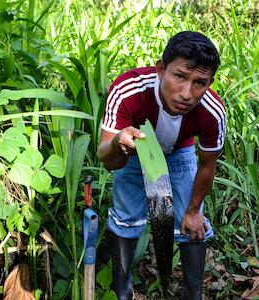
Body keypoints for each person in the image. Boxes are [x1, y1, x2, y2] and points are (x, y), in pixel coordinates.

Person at [97, 31, 226, 300]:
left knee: (192, 224)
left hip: (180, 152)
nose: (187, 93)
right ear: (160, 69)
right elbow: (106, 157)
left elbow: (206, 165)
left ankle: (193, 294)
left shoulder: (212, 111)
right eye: (179, 76)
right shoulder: (129, 90)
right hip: (134, 148)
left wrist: (192, 210)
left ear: (210, 82)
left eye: (200, 82)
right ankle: (123, 291)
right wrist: (119, 144)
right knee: (127, 216)